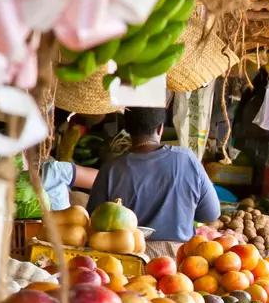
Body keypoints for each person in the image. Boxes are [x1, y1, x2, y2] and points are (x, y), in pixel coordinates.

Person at [87, 107, 221, 258]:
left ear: (127, 128)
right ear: (160, 128)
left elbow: (93, 222)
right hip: (180, 264)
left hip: (126, 261)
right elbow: (211, 214)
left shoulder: (110, 169)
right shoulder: (187, 159)